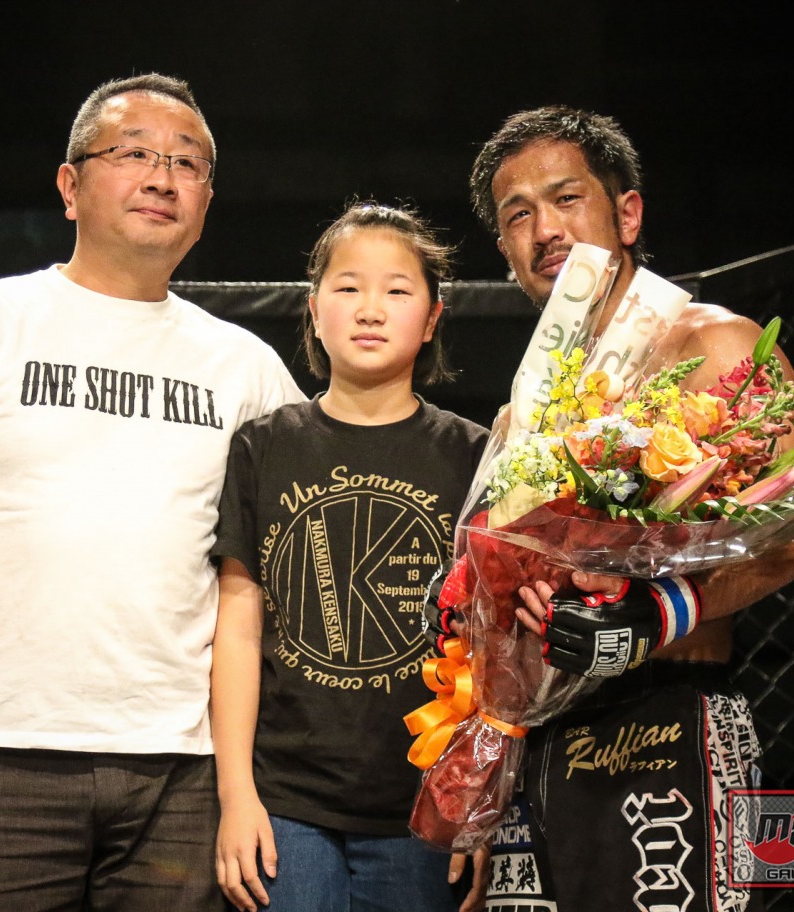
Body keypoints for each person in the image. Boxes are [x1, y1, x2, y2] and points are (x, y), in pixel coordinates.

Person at [0, 73, 305, 911]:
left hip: (186, 766)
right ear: (69, 185)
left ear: (206, 201)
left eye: (187, 163)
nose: (162, 178)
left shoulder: (246, 366)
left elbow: (299, 550)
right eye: (134, 154)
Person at [445, 105, 794, 911]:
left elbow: (793, 539)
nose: (546, 229)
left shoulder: (715, 345)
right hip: (540, 749)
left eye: (566, 198)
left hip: (668, 718)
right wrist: (483, 773)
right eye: (518, 214)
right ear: (504, 250)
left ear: (627, 214)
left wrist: (657, 613)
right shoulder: (520, 413)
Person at [211, 202, 489, 912]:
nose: (370, 309)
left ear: (432, 317)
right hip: (284, 803)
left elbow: (493, 643)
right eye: (347, 287)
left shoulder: (473, 456)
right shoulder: (263, 446)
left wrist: (478, 800)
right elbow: (238, 627)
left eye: (397, 290)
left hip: (423, 805)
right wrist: (236, 794)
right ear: (313, 310)